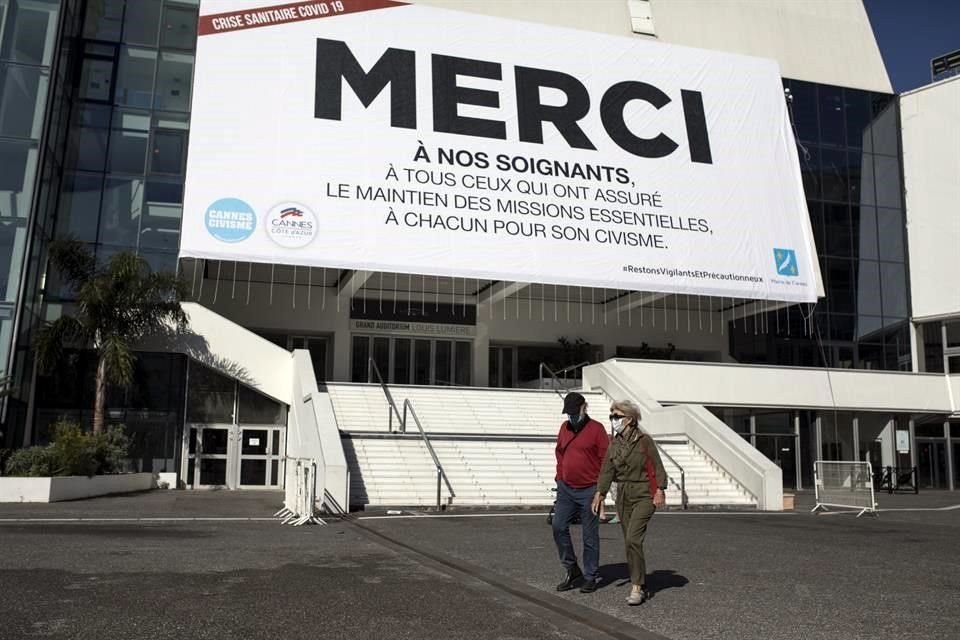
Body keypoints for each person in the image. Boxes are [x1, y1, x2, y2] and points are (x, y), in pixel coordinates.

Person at [591, 400, 666, 606]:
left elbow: (657, 465)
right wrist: (600, 493)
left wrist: (660, 489)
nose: (613, 420)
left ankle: (637, 587)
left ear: (630, 419)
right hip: (623, 494)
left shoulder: (644, 441)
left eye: (617, 416)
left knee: (633, 538)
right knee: (629, 541)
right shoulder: (614, 444)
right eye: (611, 416)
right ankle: (639, 580)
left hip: (644, 493)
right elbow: (607, 470)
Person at [552, 391, 609, 594]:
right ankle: (572, 569)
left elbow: (606, 461)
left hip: (589, 489)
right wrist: (560, 477)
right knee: (558, 526)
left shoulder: (597, 429)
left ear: (584, 407)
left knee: (589, 535)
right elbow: (559, 453)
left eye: (575, 412)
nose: (572, 416)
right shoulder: (564, 427)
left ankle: (590, 576)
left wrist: (601, 491)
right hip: (566, 488)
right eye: (569, 413)